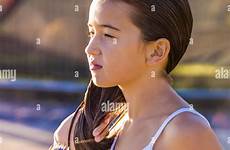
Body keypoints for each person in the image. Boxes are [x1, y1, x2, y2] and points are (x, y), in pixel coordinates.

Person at [51, 0, 223, 149]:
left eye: (108, 35)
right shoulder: (96, 127)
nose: (90, 49)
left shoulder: (187, 133)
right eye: (91, 33)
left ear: (157, 51)